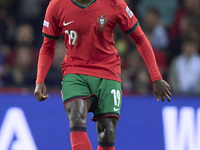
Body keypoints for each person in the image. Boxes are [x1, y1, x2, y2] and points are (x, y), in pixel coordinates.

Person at [34, 0, 172, 149]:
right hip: (75, 71)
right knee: (76, 116)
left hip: (108, 72)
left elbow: (139, 38)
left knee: (107, 132)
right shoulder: (57, 4)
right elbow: (48, 45)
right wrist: (40, 79)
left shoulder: (114, 3)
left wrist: (156, 77)